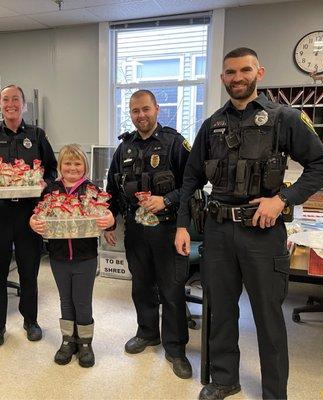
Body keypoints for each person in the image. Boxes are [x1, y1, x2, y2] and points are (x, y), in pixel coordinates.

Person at [174, 48, 323, 400]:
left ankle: (275, 392)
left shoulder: (285, 118)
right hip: (218, 231)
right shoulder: (212, 124)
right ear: (222, 78)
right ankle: (224, 378)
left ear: (259, 72)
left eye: (245, 70)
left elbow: (322, 166)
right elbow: (191, 178)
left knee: (267, 316)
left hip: (262, 234)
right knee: (220, 311)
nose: (238, 77)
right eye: (230, 72)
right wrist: (183, 225)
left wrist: (283, 200)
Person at [104, 89, 192, 379]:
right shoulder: (124, 148)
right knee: (141, 285)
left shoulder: (175, 143)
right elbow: (112, 190)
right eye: (135, 111)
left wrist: (165, 200)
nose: (140, 116)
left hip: (167, 229)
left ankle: (176, 348)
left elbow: (191, 187)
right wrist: (108, 220)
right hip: (136, 230)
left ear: (157, 109)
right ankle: (147, 333)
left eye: (145, 109)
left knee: (171, 289)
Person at [0, 84, 58, 347]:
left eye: (16, 100)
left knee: (29, 271)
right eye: (5, 100)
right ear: (0, 104)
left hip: (27, 216)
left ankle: (30, 321)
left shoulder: (37, 134)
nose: (10, 104)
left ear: (24, 105)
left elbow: (52, 171)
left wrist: (44, 183)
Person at [29, 144, 114, 367]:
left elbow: (106, 214)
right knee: (65, 301)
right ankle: (68, 340)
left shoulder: (91, 189)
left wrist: (110, 220)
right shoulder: (51, 190)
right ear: (60, 165)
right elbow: (38, 215)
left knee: (82, 301)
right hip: (58, 256)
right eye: (67, 163)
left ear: (84, 166)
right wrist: (33, 222)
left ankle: (85, 342)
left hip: (85, 257)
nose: (72, 167)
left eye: (77, 163)